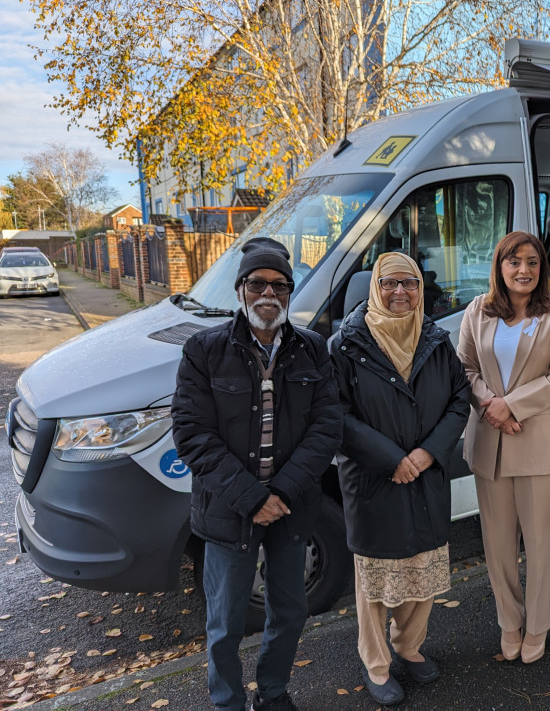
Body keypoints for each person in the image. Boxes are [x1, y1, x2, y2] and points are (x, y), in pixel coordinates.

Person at [172, 237, 343, 711]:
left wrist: (280, 493)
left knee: (289, 613)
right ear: (241, 289)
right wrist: (252, 497)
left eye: (280, 285)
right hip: (230, 512)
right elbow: (191, 434)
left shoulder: (312, 350)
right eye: (258, 284)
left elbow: (327, 429)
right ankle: (227, 702)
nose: (269, 294)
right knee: (225, 623)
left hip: (291, 509)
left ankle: (272, 693)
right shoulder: (204, 352)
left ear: (290, 292)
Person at [329, 252, 470, 706]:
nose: (400, 293)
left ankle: (409, 647)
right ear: (375, 287)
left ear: (420, 289)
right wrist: (391, 458)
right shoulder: (345, 344)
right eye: (389, 283)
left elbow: (459, 401)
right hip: (375, 478)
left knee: (421, 570)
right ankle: (376, 664)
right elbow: (336, 415)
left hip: (426, 473)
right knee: (375, 580)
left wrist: (429, 453)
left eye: (409, 283)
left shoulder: (435, 339)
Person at [458, 231, 550, 664]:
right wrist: (491, 407)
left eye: (531, 261)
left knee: (541, 542)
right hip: (490, 441)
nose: (523, 270)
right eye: (514, 262)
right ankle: (509, 621)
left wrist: (509, 405)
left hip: (540, 441)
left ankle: (537, 627)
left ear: (541, 267)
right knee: (497, 543)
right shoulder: (477, 310)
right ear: (499, 267)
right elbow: (466, 368)